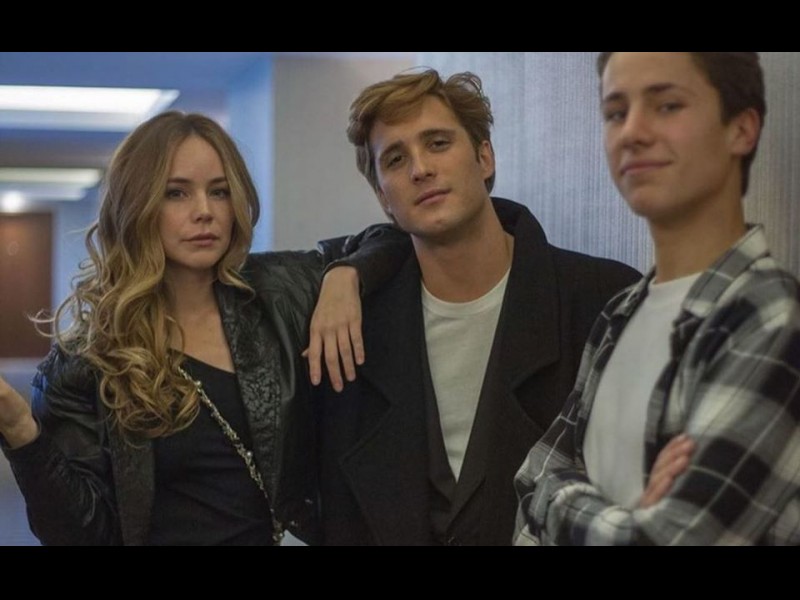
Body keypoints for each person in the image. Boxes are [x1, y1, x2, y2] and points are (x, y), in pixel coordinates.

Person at [0, 111, 407, 546]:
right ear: (137, 205)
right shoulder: (85, 362)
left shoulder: (281, 293)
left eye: (220, 192)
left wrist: (345, 276)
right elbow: (84, 534)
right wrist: (21, 431)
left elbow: (393, 239)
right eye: (176, 193)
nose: (205, 212)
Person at [314, 68, 641, 545]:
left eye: (438, 143)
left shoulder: (603, 299)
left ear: (484, 157)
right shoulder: (358, 327)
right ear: (384, 197)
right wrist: (342, 272)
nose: (420, 169)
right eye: (396, 159)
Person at [514, 52, 800, 546]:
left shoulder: (770, 317)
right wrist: (621, 515)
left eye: (667, 105)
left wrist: (557, 496)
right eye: (615, 112)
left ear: (742, 129)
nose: (632, 132)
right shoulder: (619, 312)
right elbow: (526, 482)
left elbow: (670, 539)